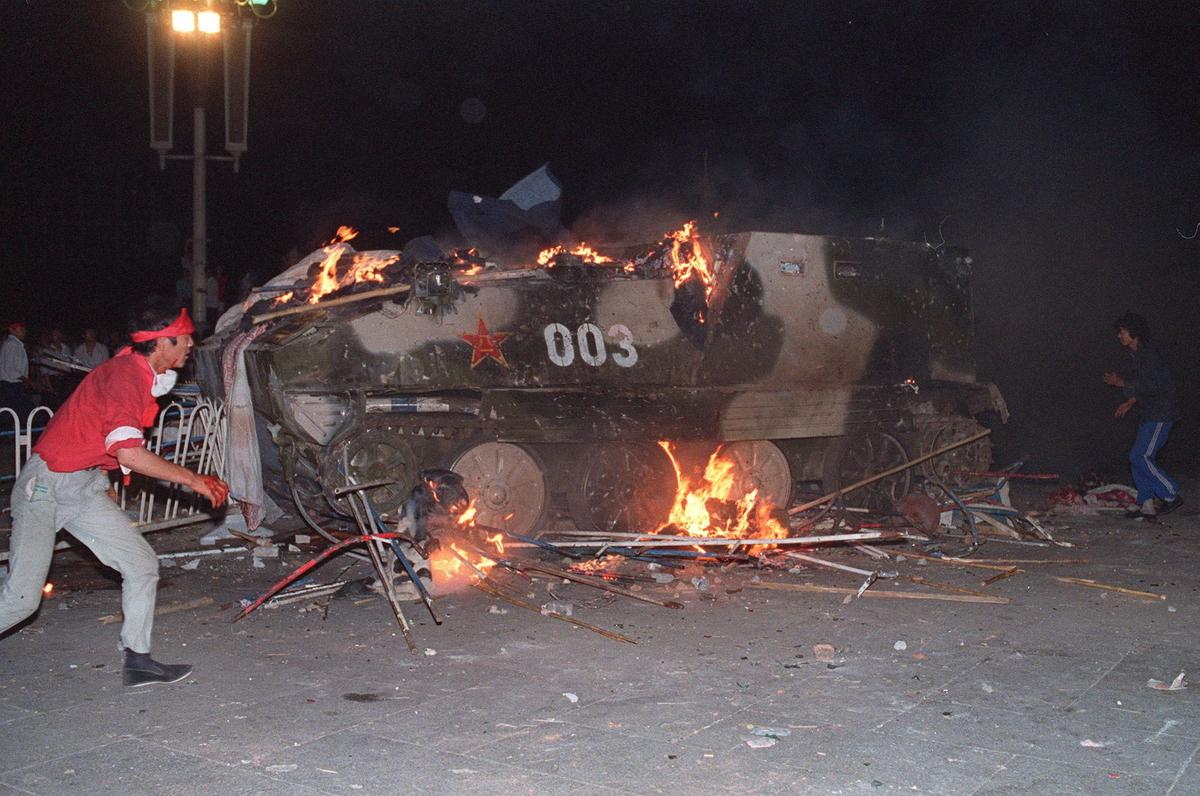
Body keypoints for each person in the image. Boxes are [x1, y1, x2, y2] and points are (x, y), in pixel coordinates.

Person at [0, 307, 230, 687]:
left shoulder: (133, 370)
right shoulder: (125, 377)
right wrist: (193, 479)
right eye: (184, 336)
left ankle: (138, 661)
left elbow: (99, 433)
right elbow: (129, 453)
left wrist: (103, 479)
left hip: (79, 486)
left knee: (140, 564)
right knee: (23, 600)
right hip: (46, 486)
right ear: (160, 342)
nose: (191, 343)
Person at [1103, 312, 1182, 521]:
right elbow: (1145, 386)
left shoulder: (1149, 354)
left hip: (1161, 413)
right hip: (1150, 412)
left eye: (1121, 331)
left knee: (1140, 457)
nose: (1119, 335)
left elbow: (1156, 385)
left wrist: (1122, 384)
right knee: (1136, 457)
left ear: (1133, 332)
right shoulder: (1137, 355)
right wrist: (1129, 402)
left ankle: (1171, 494)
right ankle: (1146, 504)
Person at [0, 321, 33, 419]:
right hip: (10, 385)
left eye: (24, 329)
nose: (24, 332)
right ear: (12, 330)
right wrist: (27, 381)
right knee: (19, 414)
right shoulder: (12, 344)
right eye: (21, 329)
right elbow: (11, 370)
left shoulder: (16, 344)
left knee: (12, 415)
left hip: (14, 385)